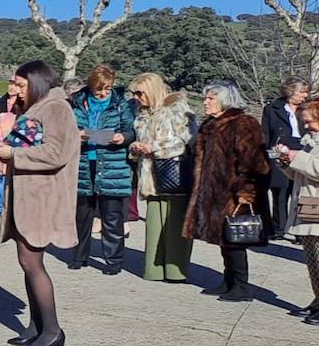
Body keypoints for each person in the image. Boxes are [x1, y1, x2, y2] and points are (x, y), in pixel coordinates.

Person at [0, 60, 78, 346]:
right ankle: (36, 325)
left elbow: (56, 152)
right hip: (26, 198)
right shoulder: (36, 108)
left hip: (41, 199)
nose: (15, 90)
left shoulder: (56, 108)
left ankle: (53, 330)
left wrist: (12, 153)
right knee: (27, 262)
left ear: (37, 82)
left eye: (21, 84)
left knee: (32, 262)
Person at [184, 80, 272, 302]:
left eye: (210, 98)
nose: (205, 102)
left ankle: (241, 287)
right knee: (224, 239)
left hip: (236, 195)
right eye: (206, 98)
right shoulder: (210, 125)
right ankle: (229, 280)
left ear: (224, 100)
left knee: (235, 239)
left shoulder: (243, 123)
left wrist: (246, 191)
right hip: (214, 192)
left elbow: (255, 162)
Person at [68, 65, 137, 274]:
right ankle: (79, 256)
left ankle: (113, 261)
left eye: (107, 88)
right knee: (82, 216)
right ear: (91, 86)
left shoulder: (120, 104)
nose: (103, 93)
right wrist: (76, 134)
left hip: (112, 163)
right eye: (99, 89)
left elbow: (131, 131)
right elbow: (64, 129)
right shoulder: (75, 103)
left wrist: (122, 138)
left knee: (112, 217)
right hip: (83, 162)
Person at [129, 73, 196, 283]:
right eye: (135, 93)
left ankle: (176, 271)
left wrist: (155, 148)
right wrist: (136, 147)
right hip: (150, 176)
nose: (138, 97)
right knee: (154, 225)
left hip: (175, 175)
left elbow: (187, 141)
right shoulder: (141, 114)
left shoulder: (179, 110)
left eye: (141, 93)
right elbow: (138, 141)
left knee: (175, 225)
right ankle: (154, 269)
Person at [277, 101, 319, 325]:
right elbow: (300, 175)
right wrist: (286, 163)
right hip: (308, 206)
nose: (306, 126)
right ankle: (318, 300)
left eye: (310, 122)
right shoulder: (310, 143)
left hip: (316, 206)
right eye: (304, 123)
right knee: (312, 260)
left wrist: (297, 157)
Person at [263, 78, 310, 240]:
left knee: (300, 192)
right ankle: (279, 228)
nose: (305, 95)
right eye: (302, 91)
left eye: (306, 92)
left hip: (303, 149)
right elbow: (266, 134)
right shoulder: (272, 109)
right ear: (290, 91)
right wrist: (267, 156)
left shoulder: (308, 109)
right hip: (279, 151)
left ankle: (299, 230)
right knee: (280, 192)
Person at [0, 77, 22, 217]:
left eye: (15, 84)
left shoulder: (24, 104)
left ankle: (12, 205)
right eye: (10, 83)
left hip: (14, 145)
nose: (12, 87)